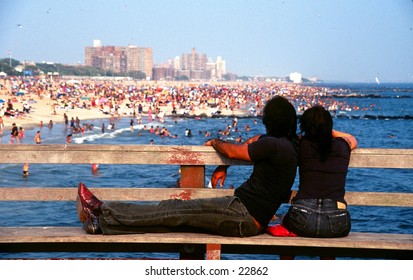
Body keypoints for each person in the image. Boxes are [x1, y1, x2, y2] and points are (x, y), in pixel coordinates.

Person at [76, 96, 299, 236]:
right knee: (173, 218)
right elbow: (251, 143)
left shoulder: (274, 145)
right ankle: (102, 225)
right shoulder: (286, 146)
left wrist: (214, 142)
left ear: (271, 121)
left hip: (241, 214)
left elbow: (233, 150)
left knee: (172, 209)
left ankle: (100, 209)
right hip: (244, 214)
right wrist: (225, 167)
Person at [271, 105, 357, 258]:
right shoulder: (342, 146)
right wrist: (328, 131)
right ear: (329, 126)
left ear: (305, 127)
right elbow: (352, 139)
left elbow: (286, 140)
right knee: (329, 235)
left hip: (302, 217)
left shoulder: (301, 144)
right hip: (337, 222)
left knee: (285, 220)